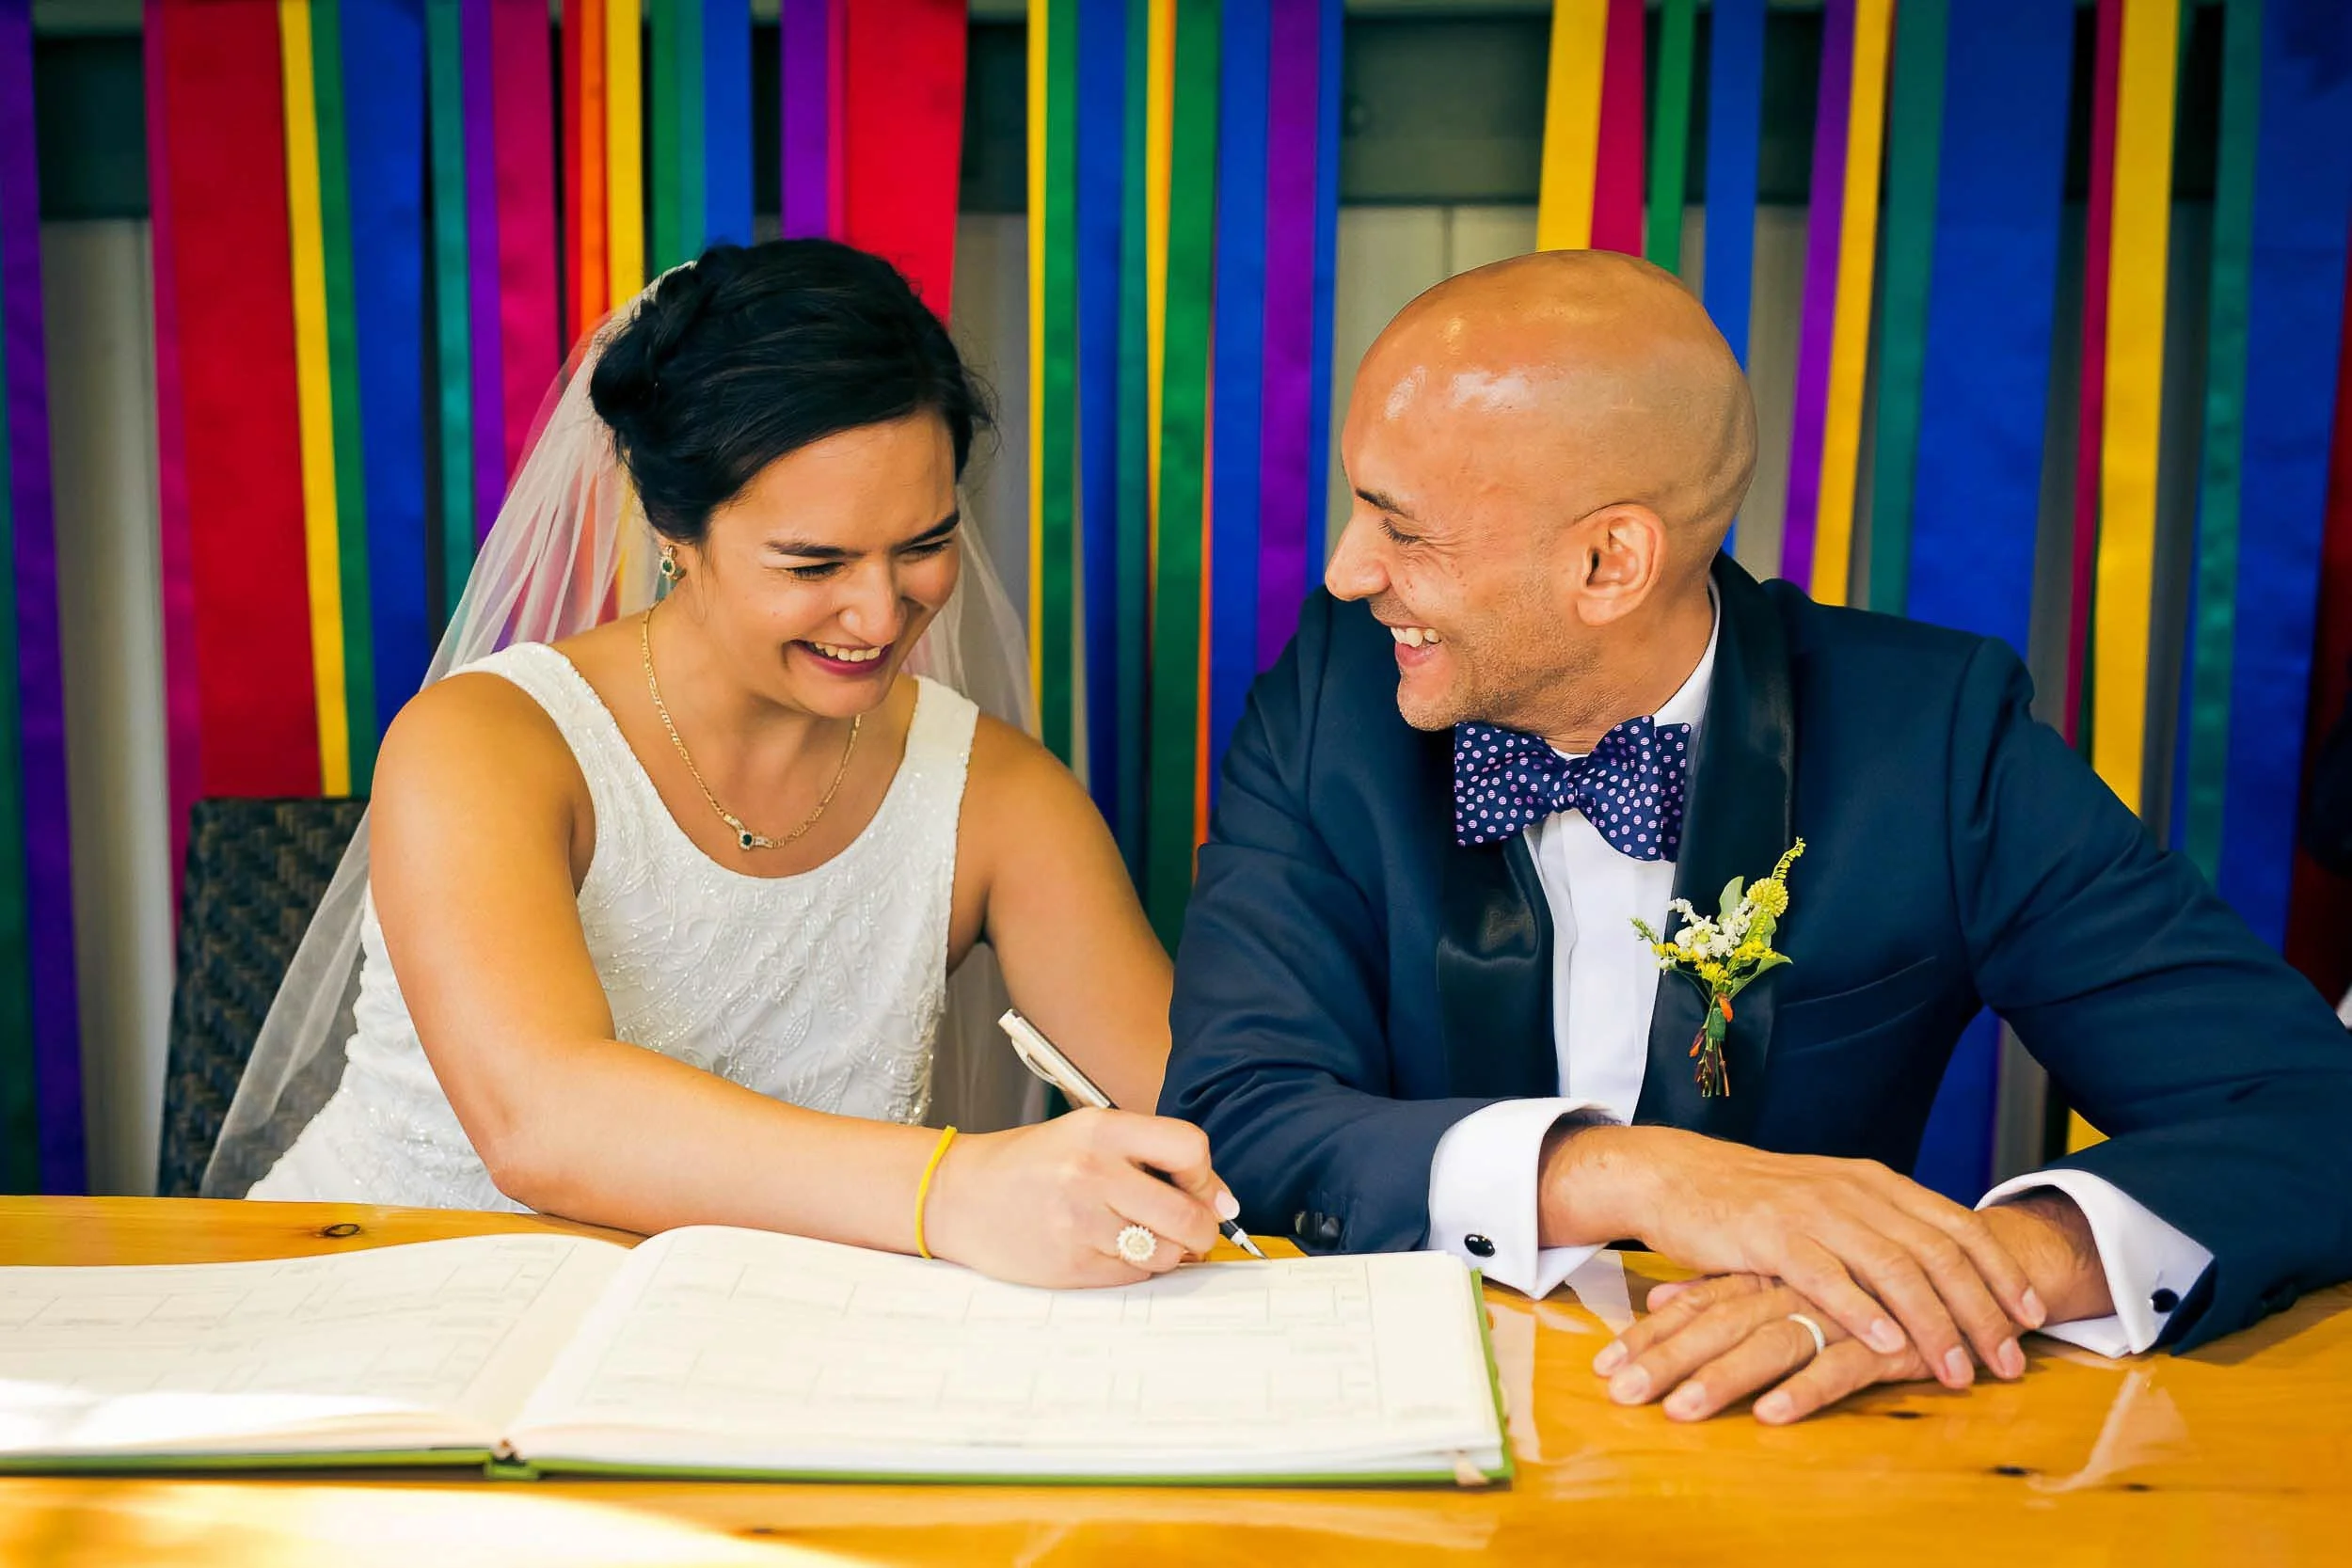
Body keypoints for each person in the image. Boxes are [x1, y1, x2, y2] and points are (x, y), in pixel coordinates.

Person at [1162, 250, 2352, 1422]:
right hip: (1394, 1429)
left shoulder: (1931, 740)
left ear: (1608, 560)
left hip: (1790, 1457)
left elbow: (2309, 1113)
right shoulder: (1331, 700)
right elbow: (1239, 1109)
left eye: (1400, 527)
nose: (1344, 569)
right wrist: (1629, 1170)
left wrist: (1954, 1274)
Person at [214, 240, 1233, 1288]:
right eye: (815, 562)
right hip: (384, 1295)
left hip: (740, 1353)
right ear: (674, 528)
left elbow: (1203, 1109)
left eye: (921, 544)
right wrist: (956, 1187)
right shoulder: (483, 742)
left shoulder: (1003, 798)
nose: (880, 615)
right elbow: (541, 1122)